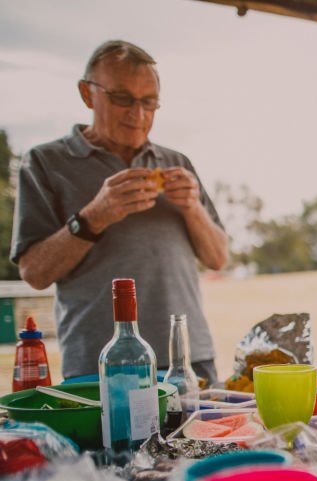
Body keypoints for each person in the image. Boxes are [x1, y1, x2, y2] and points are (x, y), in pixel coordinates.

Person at [11, 40, 227, 385]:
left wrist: (192, 208)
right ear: (87, 94)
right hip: (98, 365)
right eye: (122, 98)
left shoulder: (177, 162)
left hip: (187, 360)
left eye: (149, 102)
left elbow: (218, 258)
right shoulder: (45, 163)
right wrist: (94, 216)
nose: (137, 115)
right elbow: (34, 272)